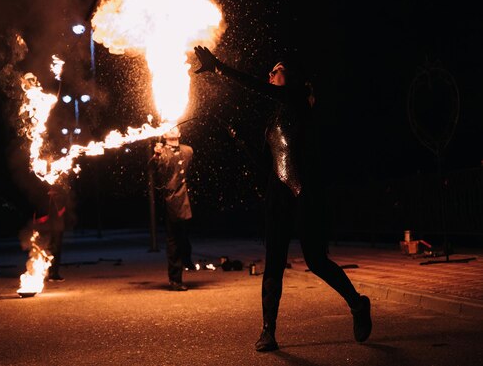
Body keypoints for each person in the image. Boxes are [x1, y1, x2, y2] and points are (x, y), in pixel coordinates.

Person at [192, 45, 372, 350]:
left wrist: (219, 67)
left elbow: (259, 88)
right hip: (278, 196)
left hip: (305, 194)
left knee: (316, 261)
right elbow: (268, 164)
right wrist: (237, 138)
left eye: (277, 70)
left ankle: (357, 304)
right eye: (271, 71)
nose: (270, 74)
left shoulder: (299, 100)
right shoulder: (273, 121)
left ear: (292, 75)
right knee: (273, 264)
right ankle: (268, 331)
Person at [148, 126, 196, 291]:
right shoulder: (162, 153)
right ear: (164, 133)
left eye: (175, 127)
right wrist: (156, 155)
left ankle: (187, 258)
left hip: (188, 199)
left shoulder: (188, 150)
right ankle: (175, 280)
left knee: (184, 238)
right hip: (172, 200)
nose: (173, 130)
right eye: (169, 128)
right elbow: (153, 169)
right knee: (173, 240)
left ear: (180, 133)